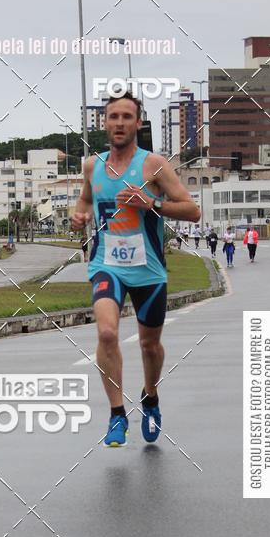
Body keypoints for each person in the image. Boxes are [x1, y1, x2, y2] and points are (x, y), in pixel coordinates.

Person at [71, 91, 200, 447]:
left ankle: (151, 396)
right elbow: (84, 201)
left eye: (127, 117)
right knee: (108, 334)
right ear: (104, 122)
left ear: (137, 124)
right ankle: (116, 415)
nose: (119, 123)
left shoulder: (153, 166)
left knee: (149, 346)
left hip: (149, 270)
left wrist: (151, 203)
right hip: (105, 265)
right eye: (114, 117)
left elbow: (192, 210)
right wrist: (78, 217)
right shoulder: (91, 166)